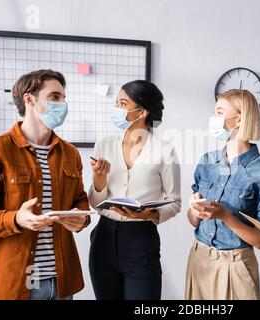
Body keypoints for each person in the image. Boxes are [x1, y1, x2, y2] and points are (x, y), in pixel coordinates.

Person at [0, 69, 91, 300]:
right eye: (55, 97)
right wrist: (16, 219)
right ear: (29, 99)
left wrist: (79, 218)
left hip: (62, 281)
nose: (63, 103)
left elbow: (80, 201)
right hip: (14, 282)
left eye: (64, 97)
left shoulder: (71, 154)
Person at [88, 80, 181, 300]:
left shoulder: (164, 150)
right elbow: (94, 201)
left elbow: (175, 201)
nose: (116, 109)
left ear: (142, 112)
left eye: (123, 103)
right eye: (116, 103)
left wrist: (149, 214)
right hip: (104, 237)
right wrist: (99, 179)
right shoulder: (104, 144)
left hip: (141, 240)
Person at [185, 89, 260, 300]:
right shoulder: (207, 162)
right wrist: (195, 210)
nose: (213, 118)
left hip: (236, 267)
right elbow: (193, 221)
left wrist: (225, 216)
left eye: (219, 112)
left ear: (238, 120)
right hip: (199, 259)